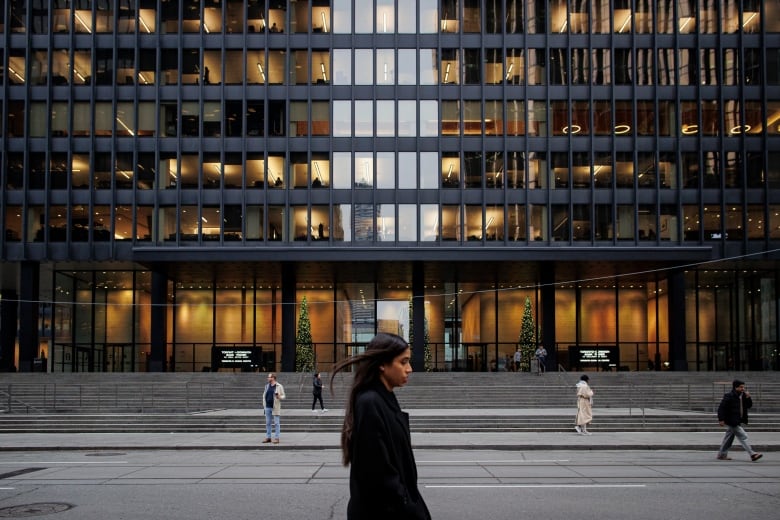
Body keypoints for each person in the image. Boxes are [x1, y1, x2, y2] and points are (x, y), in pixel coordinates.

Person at [330, 332, 431, 520]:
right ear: (382, 365)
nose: (409, 369)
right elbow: (380, 475)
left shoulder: (383, 397)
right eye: (403, 362)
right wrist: (411, 508)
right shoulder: (370, 402)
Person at [716, 379, 762, 462]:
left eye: (743, 387)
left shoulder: (743, 396)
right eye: (741, 387)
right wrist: (721, 419)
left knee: (728, 438)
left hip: (738, 420)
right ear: (735, 387)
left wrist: (748, 397)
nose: (743, 389)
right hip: (732, 420)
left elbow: (749, 406)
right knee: (743, 436)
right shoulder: (729, 396)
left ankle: (722, 455)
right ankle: (752, 454)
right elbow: (721, 408)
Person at [262, 373, 285, 444]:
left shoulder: (279, 386)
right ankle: (268, 437)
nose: (268, 378)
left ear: (273, 378)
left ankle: (277, 438)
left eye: (269, 377)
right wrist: (264, 405)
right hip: (267, 407)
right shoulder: (267, 386)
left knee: (276, 423)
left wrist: (279, 397)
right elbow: (264, 395)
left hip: (275, 407)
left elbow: (283, 395)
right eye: (268, 377)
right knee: (268, 423)